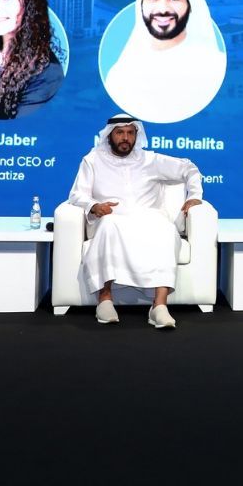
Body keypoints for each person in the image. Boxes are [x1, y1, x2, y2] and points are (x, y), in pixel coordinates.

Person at [66, 114, 205, 329]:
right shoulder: (92, 160)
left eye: (130, 133)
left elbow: (189, 168)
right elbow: (77, 194)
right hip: (111, 218)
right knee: (109, 225)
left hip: (148, 217)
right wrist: (94, 206)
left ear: (136, 135)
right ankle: (105, 299)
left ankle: (159, 306)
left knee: (166, 229)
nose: (125, 138)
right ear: (109, 135)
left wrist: (194, 196)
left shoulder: (150, 160)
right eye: (120, 133)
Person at [103, 0, 227, 123]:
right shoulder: (119, 75)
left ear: (190, 6)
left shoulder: (214, 65)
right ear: (141, 6)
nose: (162, 9)